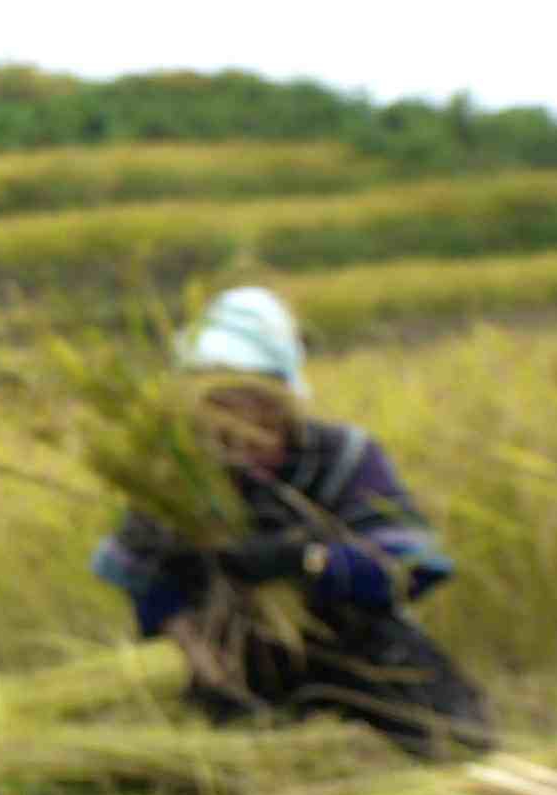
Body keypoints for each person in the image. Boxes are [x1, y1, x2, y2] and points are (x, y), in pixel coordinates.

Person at [91, 285, 491, 754]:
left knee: (458, 745)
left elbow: (413, 565)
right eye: (218, 402)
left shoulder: (343, 457)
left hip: (357, 646)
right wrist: (187, 638)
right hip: (231, 658)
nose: (237, 421)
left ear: (282, 399)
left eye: (250, 400)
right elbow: (141, 577)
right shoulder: (175, 475)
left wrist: (307, 560)